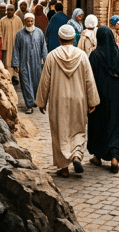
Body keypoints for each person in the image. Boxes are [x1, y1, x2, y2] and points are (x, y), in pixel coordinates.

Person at [36, 24, 100, 178]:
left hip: (59, 100)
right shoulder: (82, 56)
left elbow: (45, 81)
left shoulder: (52, 56)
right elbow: (89, 80)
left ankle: (64, 168)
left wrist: (42, 101)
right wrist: (92, 101)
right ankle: (76, 155)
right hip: (79, 99)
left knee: (60, 131)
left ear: (59, 38)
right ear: (73, 38)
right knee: (78, 128)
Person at [87, 26, 119, 174]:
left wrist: (89, 98)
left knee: (99, 125)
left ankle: (97, 156)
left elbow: (89, 78)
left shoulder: (94, 55)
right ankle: (114, 158)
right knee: (115, 126)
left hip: (99, 98)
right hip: (116, 98)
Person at [12, 13, 48, 114]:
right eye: (28, 21)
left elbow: (44, 48)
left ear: (34, 21)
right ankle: (29, 105)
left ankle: (34, 100)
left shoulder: (39, 33)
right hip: (24, 63)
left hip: (36, 63)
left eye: (32, 21)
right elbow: (16, 49)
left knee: (36, 83)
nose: (30, 23)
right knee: (26, 83)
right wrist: (16, 63)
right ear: (25, 22)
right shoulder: (20, 34)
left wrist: (46, 61)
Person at [0, 4, 24, 85]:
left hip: (16, 45)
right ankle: (8, 77)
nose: (9, 11)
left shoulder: (18, 20)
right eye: (8, 10)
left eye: (11, 10)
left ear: (14, 11)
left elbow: (22, 31)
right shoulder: (2, 20)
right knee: (7, 62)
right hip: (6, 45)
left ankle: (15, 77)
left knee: (16, 61)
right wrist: (3, 42)